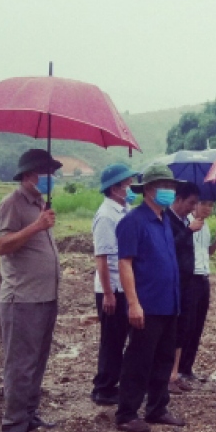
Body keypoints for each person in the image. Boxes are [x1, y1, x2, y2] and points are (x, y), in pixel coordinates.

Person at [0, 149, 61, 432]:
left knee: (37, 360)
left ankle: (30, 413)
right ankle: (14, 424)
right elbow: (1, 245)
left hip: (45, 296)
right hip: (22, 298)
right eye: (48, 173)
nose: (52, 179)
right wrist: (37, 226)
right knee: (20, 364)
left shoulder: (40, 204)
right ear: (32, 175)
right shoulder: (12, 204)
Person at [113, 164, 186, 432]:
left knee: (164, 358)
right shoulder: (132, 222)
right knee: (139, 359)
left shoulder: (164, 219)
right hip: (147, 304)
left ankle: (157, 408)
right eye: (163, 186)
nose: (169, 191)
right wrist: (133, 303)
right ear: (148, 190)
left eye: (171, 186)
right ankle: (127, 413)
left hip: (169, 302)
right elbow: (125, 264)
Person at [90, 162, 139, 406]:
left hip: (123, 285)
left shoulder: (125, 209)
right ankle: (103, 387)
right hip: (112, 288)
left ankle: (114, 382)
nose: (130, 187)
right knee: (112, 339)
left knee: (122, 336)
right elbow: (102, 257)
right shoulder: (106, 215)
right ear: (114, 188)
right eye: (126, 184)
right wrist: (108, 293)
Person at [177, 197, 216, 383]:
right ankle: (178, 369)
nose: (208, 208)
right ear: (194, 204)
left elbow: (206, 253)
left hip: (204, 277)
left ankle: (187, 367)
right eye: (204, 203)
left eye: (211, 204)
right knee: (186, 324)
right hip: (190, 278)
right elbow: (179, 247)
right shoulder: (186, 223)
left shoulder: (204, 226)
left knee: (198, 324)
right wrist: (189, 231)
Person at [166, 181, 203, 394]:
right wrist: (188, 231)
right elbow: (169, 246)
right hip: (173, 283)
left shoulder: (185, 220)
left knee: (183, 329)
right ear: (178, 199)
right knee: (171, 328)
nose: (192, 207)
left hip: (188, 282)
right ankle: (166, 375)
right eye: (190, 203)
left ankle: (176, 372)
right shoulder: (166, 220)